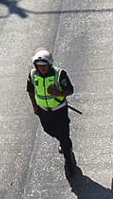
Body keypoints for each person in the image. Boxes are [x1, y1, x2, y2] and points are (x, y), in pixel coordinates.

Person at [27, 48, 78, 177]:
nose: (42, 69)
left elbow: (70, 90)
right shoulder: (33, 75)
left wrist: (58, 93)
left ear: (49, 65)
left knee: (64, 135)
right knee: (49, 130)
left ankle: (69, 161)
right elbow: (31, 91)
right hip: (43, 111)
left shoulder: (60, 75)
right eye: (39, 66)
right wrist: (35, 107)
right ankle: (63, 141)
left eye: (44, 66)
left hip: (59, 110)